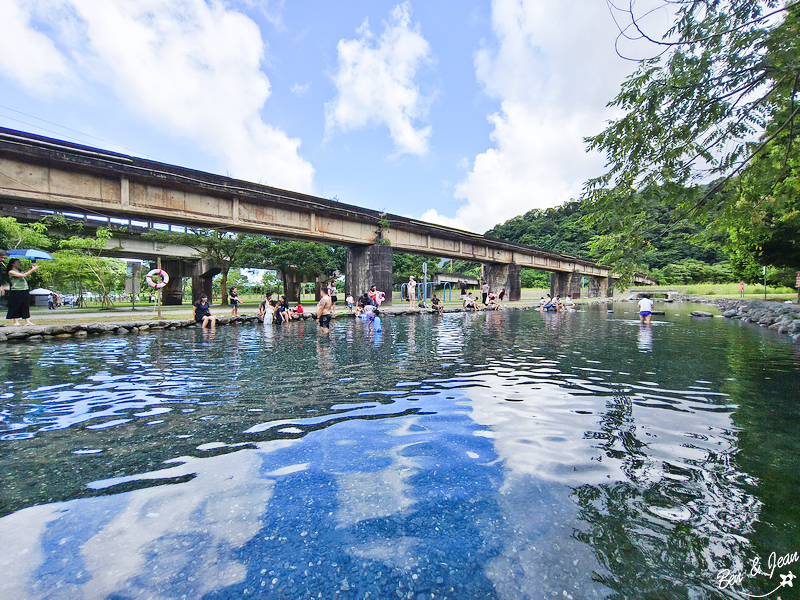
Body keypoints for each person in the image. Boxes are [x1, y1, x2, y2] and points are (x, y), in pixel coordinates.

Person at [5, 258, 38, 326]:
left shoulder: (21, 271)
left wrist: (29, 272)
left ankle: (27, 321)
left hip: (24, 289)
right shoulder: (11, 272)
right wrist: (32, 270)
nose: (20, 263)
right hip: (16, 290)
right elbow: (23, 276)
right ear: (13, 264)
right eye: (18, 262)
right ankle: (16, 321)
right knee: (15, 305)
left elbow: (25, 277)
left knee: (25, 305)